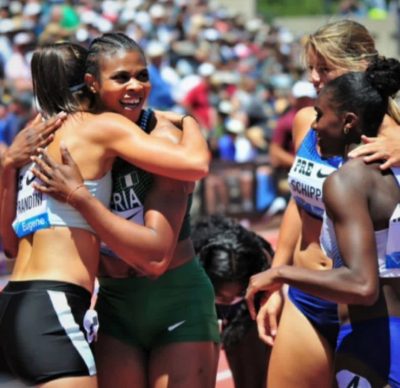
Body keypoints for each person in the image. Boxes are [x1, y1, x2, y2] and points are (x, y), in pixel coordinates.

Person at [10, 33, 220, 388]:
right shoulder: (68, 136)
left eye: (142, 75)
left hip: (173, 296)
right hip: (113, 301)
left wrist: (188, 120)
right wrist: (7, 161)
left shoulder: (161, 136)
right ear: (92, 83)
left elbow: (155, 259)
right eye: (121, 78)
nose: (135, 86)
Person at [255, 19, 400, 388]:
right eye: (311, 69)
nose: (315, 79)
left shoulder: (395, 137)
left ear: (362, 65)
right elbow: (298, 205)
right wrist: (278, 276)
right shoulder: (310, 121)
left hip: (373, 308)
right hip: (308, 294)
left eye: (325, 67)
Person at [192, 214, 274, 388]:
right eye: (222, 296)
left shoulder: (261, 261)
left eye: (237, 294)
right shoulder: (189, 260)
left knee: (251, 378)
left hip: (246, 312)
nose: (229, 300)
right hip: (196, 303)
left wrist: (236, 330)